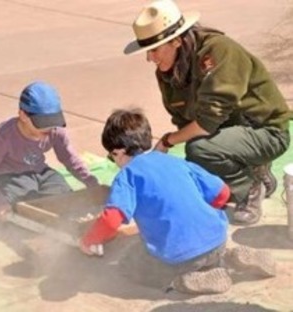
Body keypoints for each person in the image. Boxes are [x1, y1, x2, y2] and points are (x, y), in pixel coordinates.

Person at [123, 0, 291, 225]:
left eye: (153, 50)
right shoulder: (168, 72)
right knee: (197, 166)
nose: (149, 58)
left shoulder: (218, 51)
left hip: (266, 131)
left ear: (176, 41)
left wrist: (166, 142)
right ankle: (253, 166)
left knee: (201, 150)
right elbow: (184, 121)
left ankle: (250, 188)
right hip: (230, 131)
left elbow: (207, 122)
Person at [79, 108, 275, 294]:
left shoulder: (127, 176)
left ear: (118, 152)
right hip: (218, 239)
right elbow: (222, 192)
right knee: (207, 251)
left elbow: (112, 218)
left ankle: (183, 281)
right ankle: (229, 258)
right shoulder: (176, 161)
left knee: (131, 265)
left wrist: (90, 240)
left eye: (111, 156)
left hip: (180, 257)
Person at [0, 81, 99, 220]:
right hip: (11, 174)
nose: (47, 129)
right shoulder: (5, 135)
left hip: (40, 171)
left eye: (52, 122)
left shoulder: (55, 130)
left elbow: (69, 159)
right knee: (24, 204)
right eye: (42, 123)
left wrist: (91, 183)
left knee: (64, 196)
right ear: (23, 116)